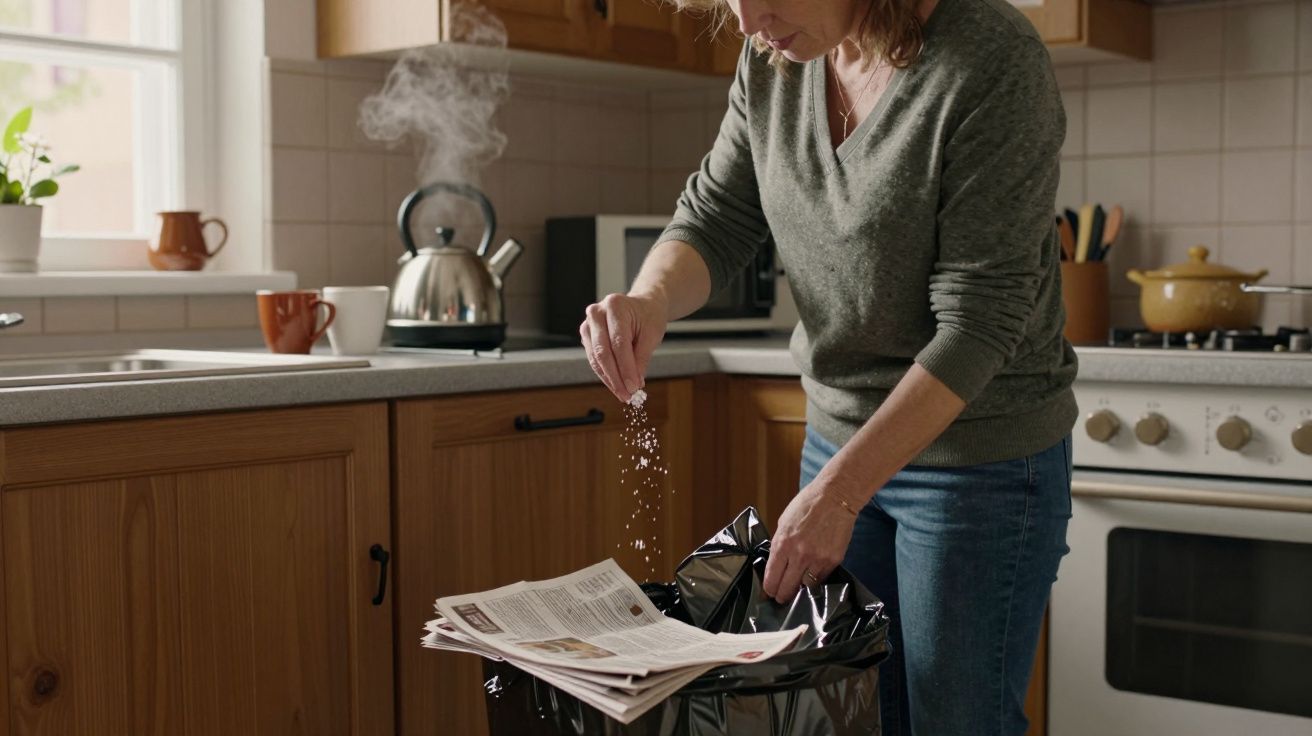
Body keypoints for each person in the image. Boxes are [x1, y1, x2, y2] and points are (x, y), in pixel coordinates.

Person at [580, 0, 1077, 732]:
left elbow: (979, 322)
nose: (749, 22)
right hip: (839, 444)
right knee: (851, 716)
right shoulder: (777, 57)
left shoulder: (989, 57)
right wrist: (650, 300)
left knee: (955, 720)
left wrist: (839, 494)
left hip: (976, 457)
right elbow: (718, 215)